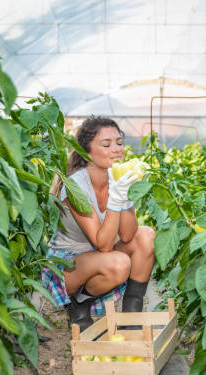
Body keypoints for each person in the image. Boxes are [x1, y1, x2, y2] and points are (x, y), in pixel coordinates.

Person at [42, 116, 156, 332]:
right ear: (86, 153)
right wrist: (115, 198)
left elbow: (128, 235)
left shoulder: (117, 177)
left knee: (146, 236)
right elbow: (103, 244)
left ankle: (132, 315)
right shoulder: (76, 186)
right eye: (106, 144)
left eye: (119, 143)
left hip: (100, 258)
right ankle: (79, 304)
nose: (117, 149)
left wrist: (123, 196)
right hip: (67, 267)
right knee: (119, 262)